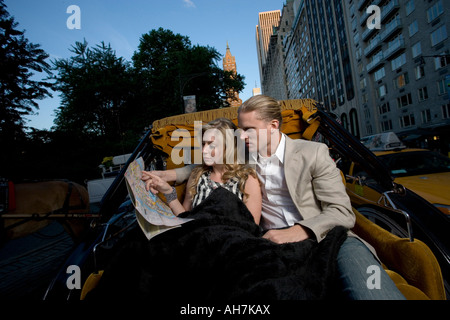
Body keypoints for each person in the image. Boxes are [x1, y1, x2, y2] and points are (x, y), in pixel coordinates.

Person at [144, 95, 406, 300]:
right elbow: (201, 165)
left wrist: (299, 230)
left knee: (371, 289)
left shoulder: (313, 153)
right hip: (271, 246)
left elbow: (341, 212)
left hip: (329, 237)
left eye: (249, 129)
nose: (242, 136)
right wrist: (168, 175)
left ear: (272, 126)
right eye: (240, 130)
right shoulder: (243, 157)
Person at [142, 117, 262, 224]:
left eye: (211, 145)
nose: (204, 150)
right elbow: (184, 219)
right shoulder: (198, 175)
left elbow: (252, 228)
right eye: (203, 144)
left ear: (228, 147)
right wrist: (168, 192)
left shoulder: (247, 180)